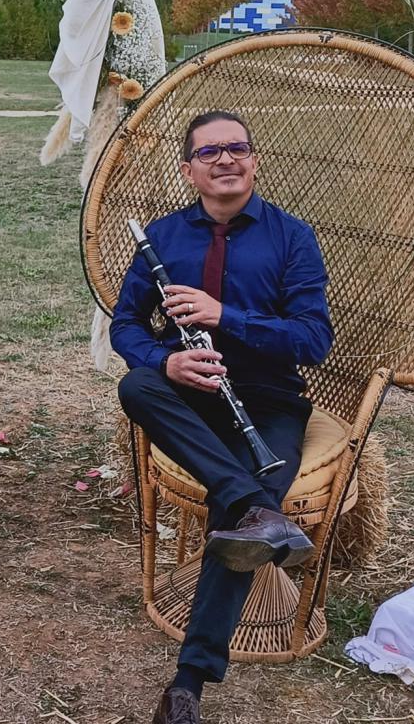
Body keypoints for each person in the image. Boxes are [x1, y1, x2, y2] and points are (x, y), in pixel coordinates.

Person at [110, 111, 333, 724]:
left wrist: (223, 315)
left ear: (254, 161)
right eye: (209, 152)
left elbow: (314, 339)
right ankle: (254, 501)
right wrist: (166, 360)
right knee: (137, 385)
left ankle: (188, 685)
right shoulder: (162, 236)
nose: (225, 159)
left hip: (268, 400)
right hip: (188, 395)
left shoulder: (293, 238)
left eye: (237, 148)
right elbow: (126, 325)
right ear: (189, 170)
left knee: (238, 518)